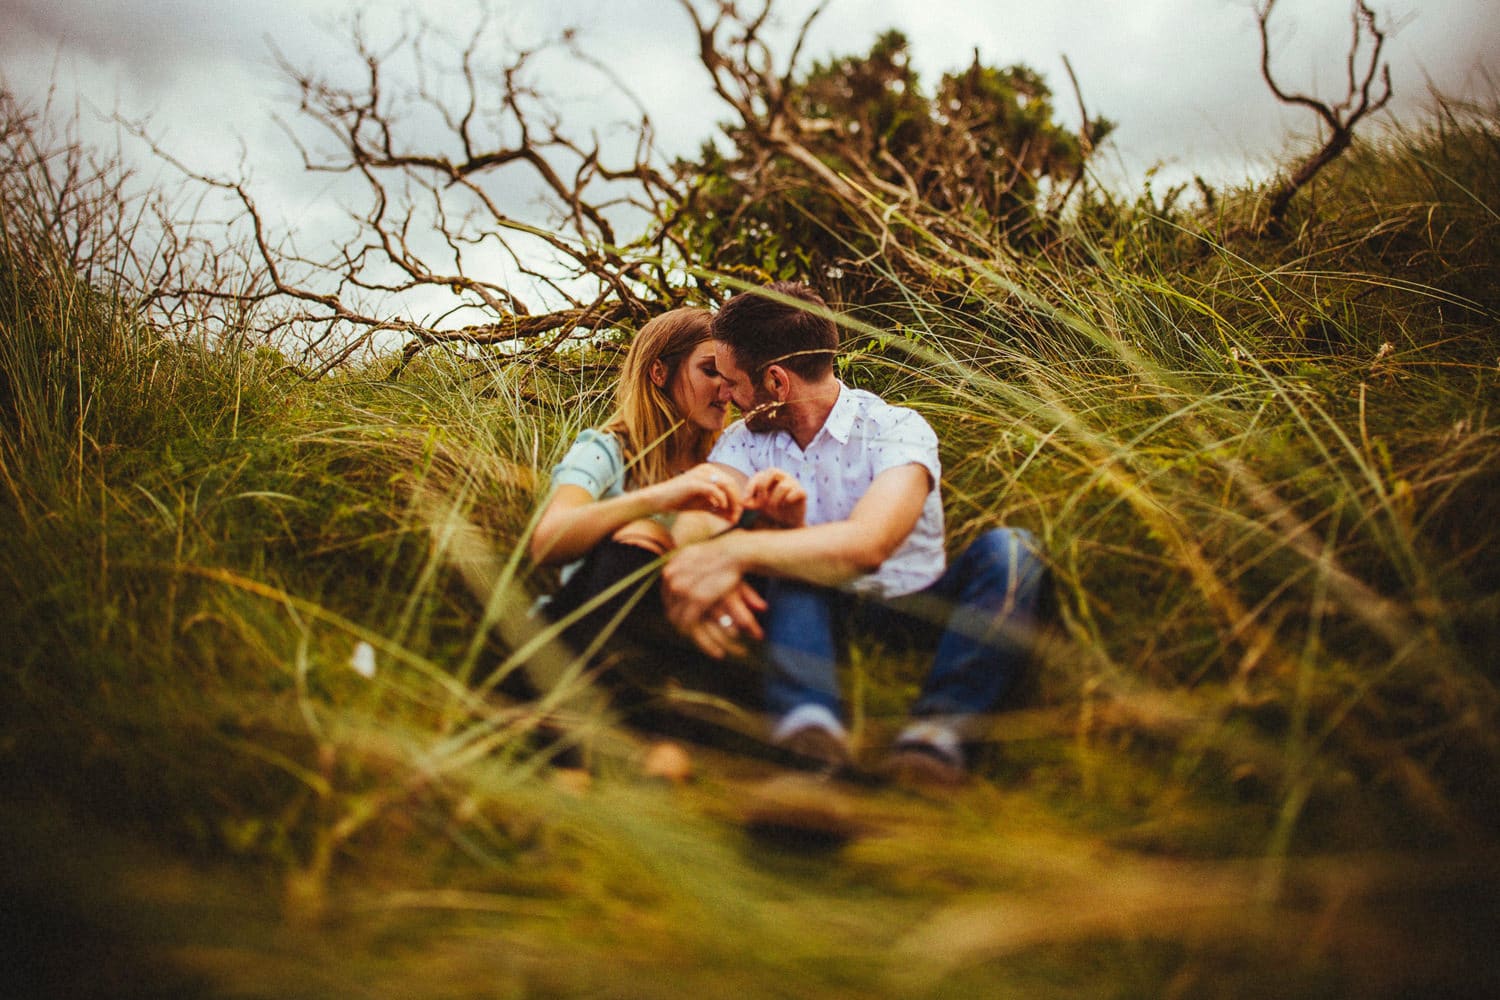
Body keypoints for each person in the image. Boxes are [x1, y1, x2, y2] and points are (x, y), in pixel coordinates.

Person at [661, 281, 1050, 786]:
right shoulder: (743, 441)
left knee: (1013, 550)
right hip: (811, 618)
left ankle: (935, 740)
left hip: (916, 607)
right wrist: (710, 552)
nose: (726, 395)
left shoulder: (896, 429)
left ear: (776, 382)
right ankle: (811, 745)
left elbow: (869, 544)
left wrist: (734, 550)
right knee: (792, 569)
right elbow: (699, 516)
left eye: (733, 382)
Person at [526, 305, 802, 745]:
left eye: (730, 376)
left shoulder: (728, 462)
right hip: (587, 632)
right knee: (639, 540)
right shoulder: (607, 449)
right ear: (659, 372)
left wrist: (773, 521)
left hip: (686, 644)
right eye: (709, 371)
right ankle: (572, 744)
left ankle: (701, 734)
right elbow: (547, 540)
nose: (725, 389)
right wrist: (657, 500)